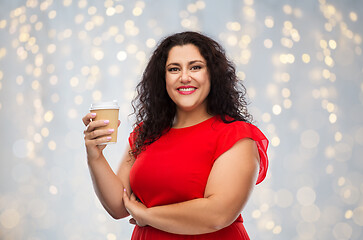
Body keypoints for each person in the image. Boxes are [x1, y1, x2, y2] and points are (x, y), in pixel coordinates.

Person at [82, 31, 269, 239]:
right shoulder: (146, 132)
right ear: (163, 78)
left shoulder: (236, 135)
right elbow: (119, 207)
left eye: (195, 67)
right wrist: (95, 156)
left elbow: (217, 215)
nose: (185, 77)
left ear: (212, 74)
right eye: (174, 69)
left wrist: (147, 215)